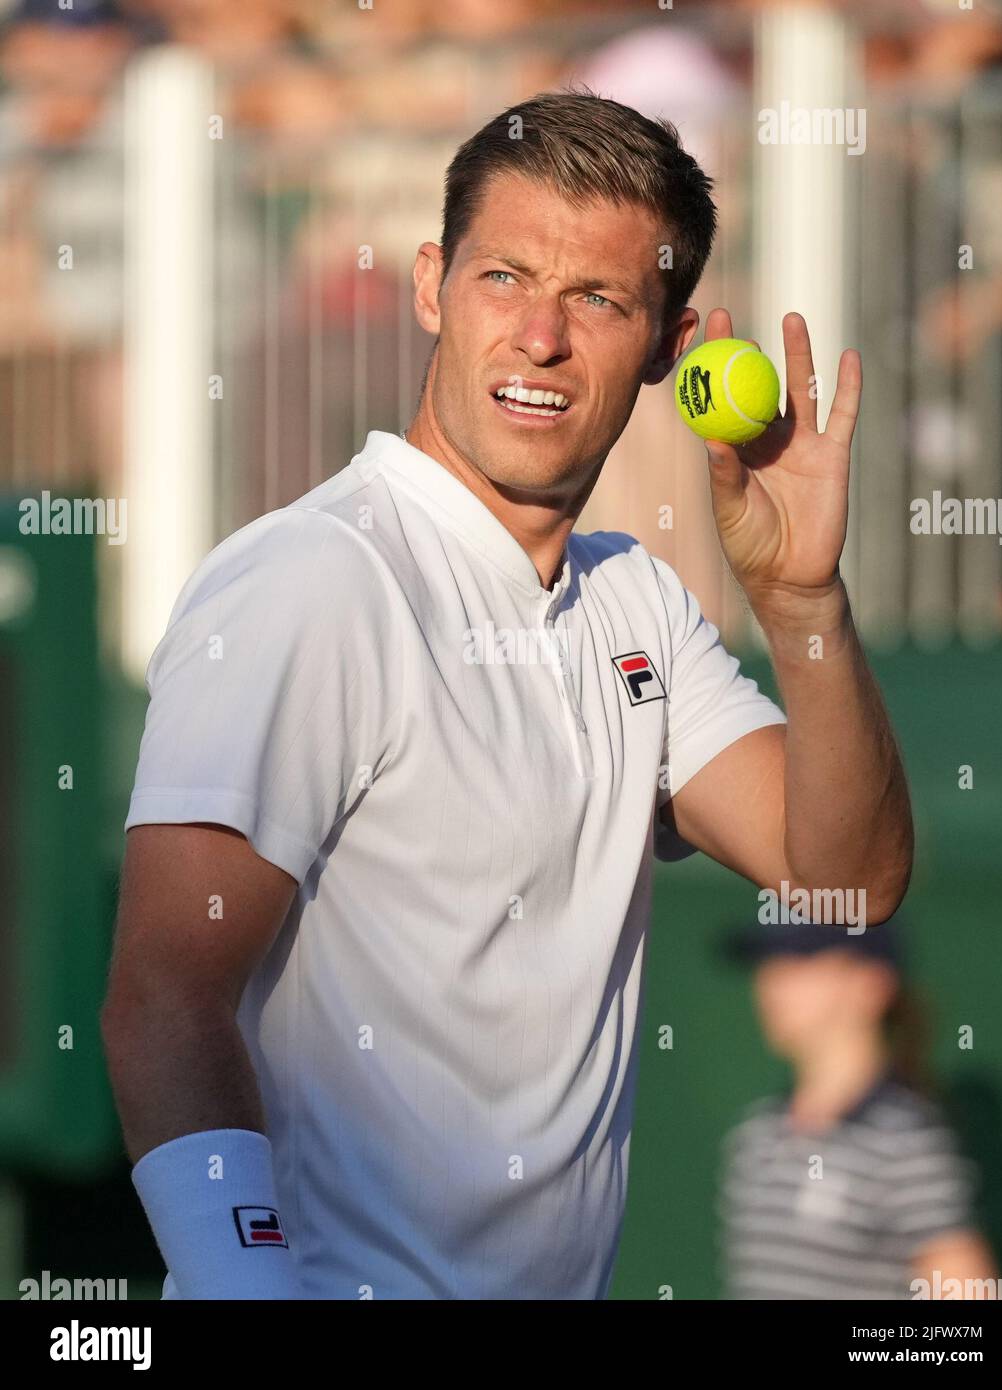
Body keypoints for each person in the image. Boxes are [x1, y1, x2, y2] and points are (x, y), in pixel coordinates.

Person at [102, 89, 914, 1301]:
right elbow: (164, 995)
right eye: (504, 277)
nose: (539, 337)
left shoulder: (632, 598)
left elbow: (845, 876)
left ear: (667, 348)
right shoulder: (310, 578)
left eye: (597, 299)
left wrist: (801, 609)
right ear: (432, 284)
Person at [717, 917, 999, 1300]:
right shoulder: (755, 1136)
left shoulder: (905, 1142)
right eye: (769, 961)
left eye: (803, 957)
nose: (771, 982)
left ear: (871, 984)